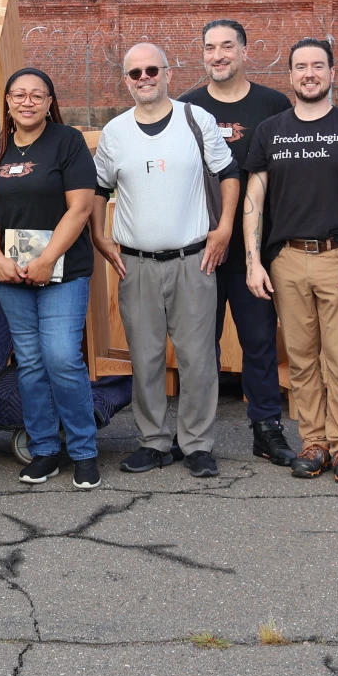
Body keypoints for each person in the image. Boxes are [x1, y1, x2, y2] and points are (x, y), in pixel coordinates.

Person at [241, 37, 338, 486]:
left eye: (318, 66)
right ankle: (314, 442)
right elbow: (254, 199)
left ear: (332, 73)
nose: (309, 73)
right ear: (290, 76)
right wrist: (253, 261)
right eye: (301, 66)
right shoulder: (271, 131)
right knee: (302, 359)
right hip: (287, 260)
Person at [91, 43, 239, 478]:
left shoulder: (196, 120)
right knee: (146, 357)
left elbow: (228, 173)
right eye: (134, 73)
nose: (144, 78)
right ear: (126, 81)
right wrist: (100, 235)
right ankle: (153, 442)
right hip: (134, 263)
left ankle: (196, 444)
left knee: (197, 357)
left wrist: (225, 227)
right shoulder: (115, 132)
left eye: (151, 69)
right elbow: (98, 188)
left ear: (168, 73)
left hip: (193, 260)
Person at [0, 68, 100, 489]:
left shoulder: (68, 143)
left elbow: (80, 208)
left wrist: (47, 259)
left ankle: (83, 450)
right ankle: (45, 448)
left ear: (50, 102)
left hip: (62, 271)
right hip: (12, 275)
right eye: (18, 95)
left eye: (37, 95)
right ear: (7, 102)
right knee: (29, 362)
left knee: (63, 358)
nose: (27, 102)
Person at [178, 19, 296, 467]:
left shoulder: (273, 106)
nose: (218, 55)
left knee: (260, 342)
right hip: (199, 249)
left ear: (246, 51)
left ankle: (266, 430)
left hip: (255, 253)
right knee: (197, 344)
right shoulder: (186, 108)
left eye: (228, 46)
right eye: (210, 47)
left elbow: (286, 177)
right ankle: (193, 437)